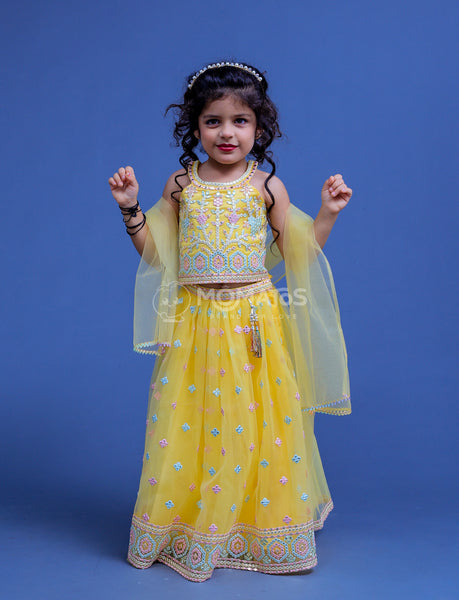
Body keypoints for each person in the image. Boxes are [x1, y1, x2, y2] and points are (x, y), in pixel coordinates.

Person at [108, 61, 352, 582]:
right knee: (194, 420)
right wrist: (130, 209)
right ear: (194, 127)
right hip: (195, 321)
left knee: (258, 422)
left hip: (253, 322)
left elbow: (299, 254)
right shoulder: (181, 184)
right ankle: (193, 526)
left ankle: (256, 528)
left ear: (259, 128)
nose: (227, 132)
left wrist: (327, 214)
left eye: (240, 121)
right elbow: (156, 255)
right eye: (213, 121)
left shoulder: (267, 187)